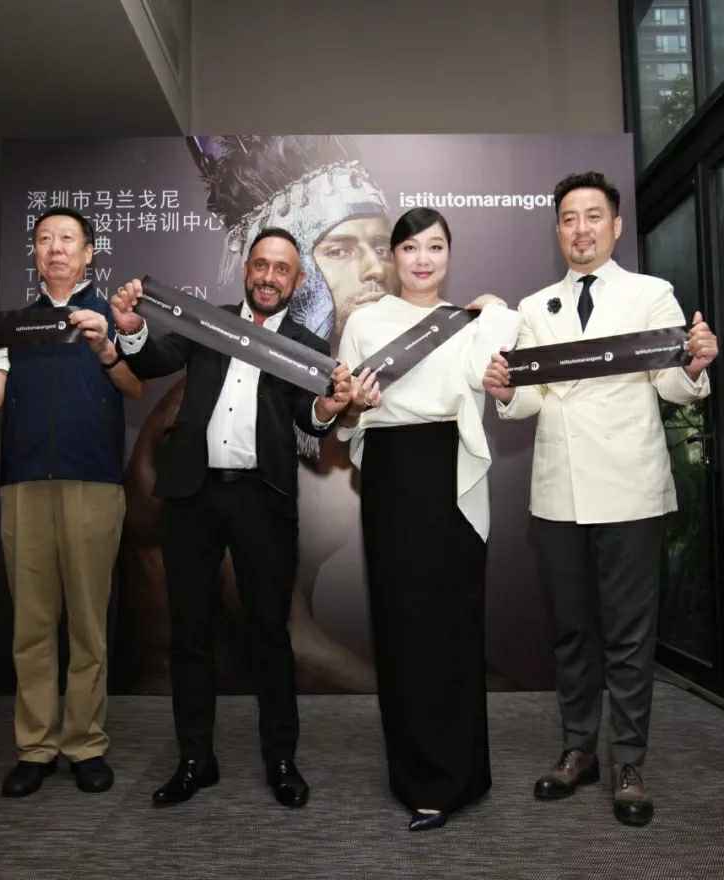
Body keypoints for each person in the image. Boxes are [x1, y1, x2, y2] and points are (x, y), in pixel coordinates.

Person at [117, 135, 397, 696]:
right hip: (186, 690)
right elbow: (294, 642)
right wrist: (416, 695)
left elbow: (312, 416)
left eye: (381, 247)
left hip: (272, 668)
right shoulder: (198, 376)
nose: (374, 269)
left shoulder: (317, 374)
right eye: (340, 249)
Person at [483, 171, 717, 827]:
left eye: (593, 216)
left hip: (631, 489)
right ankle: (578, 749)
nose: (580, 229)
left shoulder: (651, 293)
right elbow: (529, 398)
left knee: (629, 634)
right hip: (559, 493)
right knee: (571, 630)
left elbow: (671, 384)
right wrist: (505, 390)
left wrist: (694, 364)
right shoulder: (534, 307)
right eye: (568, 218)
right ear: (557, 230)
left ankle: (630, 761)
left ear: (615, 225)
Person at [111, 228, 353, 808]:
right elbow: (154, 359)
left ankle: (282, 760)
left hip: (262, 501)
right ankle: (195, 760)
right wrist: (130, 328)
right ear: (247, 269)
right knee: (190, 633)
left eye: (281, 270)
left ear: (296, 282)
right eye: (261, 265)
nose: (269, 277)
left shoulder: (303, 342)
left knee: (270, 633)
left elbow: (310, 415)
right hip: (193, 497)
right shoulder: (208, 322)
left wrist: (327, 407)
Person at [0, 207, 141, 798]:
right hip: (23, 484)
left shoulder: (115, 317)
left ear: (89, 253)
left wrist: (107, 346)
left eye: (67, 239)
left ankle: (86, 743)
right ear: (35, 254)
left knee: (89, 625)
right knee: (32, 624)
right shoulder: (11, 327)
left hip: (94, 482)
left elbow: (135, 385)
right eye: (44, 239)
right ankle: (36, 747)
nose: (55, 248)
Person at [337, 207, 519, 831]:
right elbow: (344, 415)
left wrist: (494, 308)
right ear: (393, 256)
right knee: (402, 622)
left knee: (455, 621)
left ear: (449, 255)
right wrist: (354, 405)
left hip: (451, 469)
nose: (422, 259)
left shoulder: (466, 321)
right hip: (392, 472)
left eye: (435, 247)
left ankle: (466, 773)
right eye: (411, 247)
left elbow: (493, 370)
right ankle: (417, 779)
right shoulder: (365, 321)